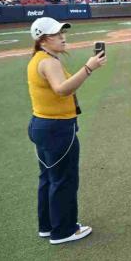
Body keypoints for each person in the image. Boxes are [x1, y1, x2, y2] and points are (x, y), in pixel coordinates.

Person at [27, 17, 107, 244]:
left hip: (42, 125)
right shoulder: (48, 62)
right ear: (42, 40)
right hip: (57, 128)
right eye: (56, 35)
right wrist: (89, 68)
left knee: (48, 178)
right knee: (64, 179)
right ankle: (63, 230)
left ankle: (48, 225)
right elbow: (62, 89)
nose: (62, 37)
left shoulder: (40, 58)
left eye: (62, 33)